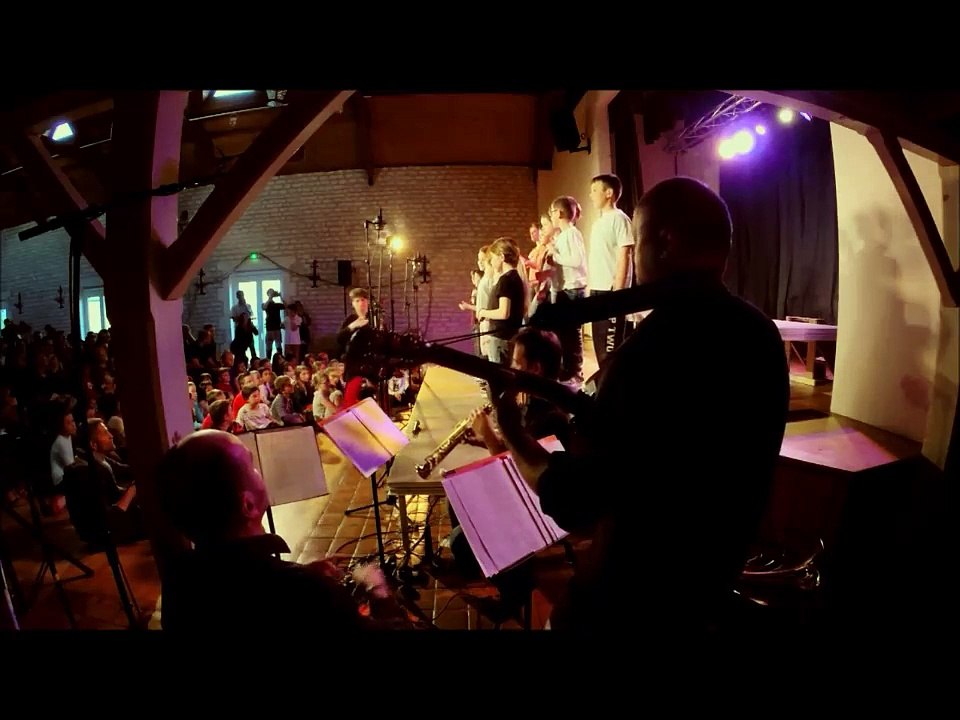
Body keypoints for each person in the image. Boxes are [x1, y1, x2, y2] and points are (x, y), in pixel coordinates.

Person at [493, 177, 790, 636]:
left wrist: (511, 430)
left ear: (665, 242)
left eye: (643, 236)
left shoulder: (655, 349)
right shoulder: (760, 334)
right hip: (710, 579)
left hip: (630, 596)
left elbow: (574, 500)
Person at [156, 430, 416, 631]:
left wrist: (303, 573)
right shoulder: (309, 593)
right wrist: (379, 593)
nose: (260, 471)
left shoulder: (179, 576)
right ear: (247, 504)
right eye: (252, 465)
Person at [586, 174, 634, 366]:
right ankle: (601, 387)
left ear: (609, 193)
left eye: (595, 190)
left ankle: (612, 391)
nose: (591, 195)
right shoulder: (598, 222)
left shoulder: (619, 219)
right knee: (599, 345)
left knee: (610, 348)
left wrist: (619, 291)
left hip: (611, 292)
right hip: (597, 290)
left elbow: (625, 254)